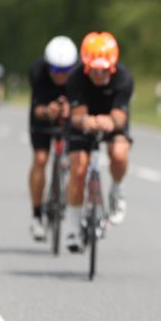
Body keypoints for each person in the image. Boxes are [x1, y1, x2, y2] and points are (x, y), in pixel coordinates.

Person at [64, 31, 134, 251]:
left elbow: (120, 116)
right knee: (78, 169)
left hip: (112, 120)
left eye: (104, 70)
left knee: (119, 153)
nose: (99, 74)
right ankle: (74, 229)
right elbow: (76, 115)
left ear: (112, 66)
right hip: (83, 122)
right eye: (95, 69)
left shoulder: (124, 77)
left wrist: (110, 122)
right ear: (86, 66)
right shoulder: (75, 78)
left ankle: (117, 189)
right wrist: (86, 120)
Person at [27, 36, 79, 241]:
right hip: (42, 115)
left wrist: (71, 110)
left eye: (66, 71)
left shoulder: (80, 74)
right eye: (56, 71)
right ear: (48, 67)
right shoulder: (37, 71)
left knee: (76, 159)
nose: (61, 76)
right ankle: (37, 214)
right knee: (40, 159)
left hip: (70, 116)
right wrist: (48, 111)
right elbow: (37, 108)